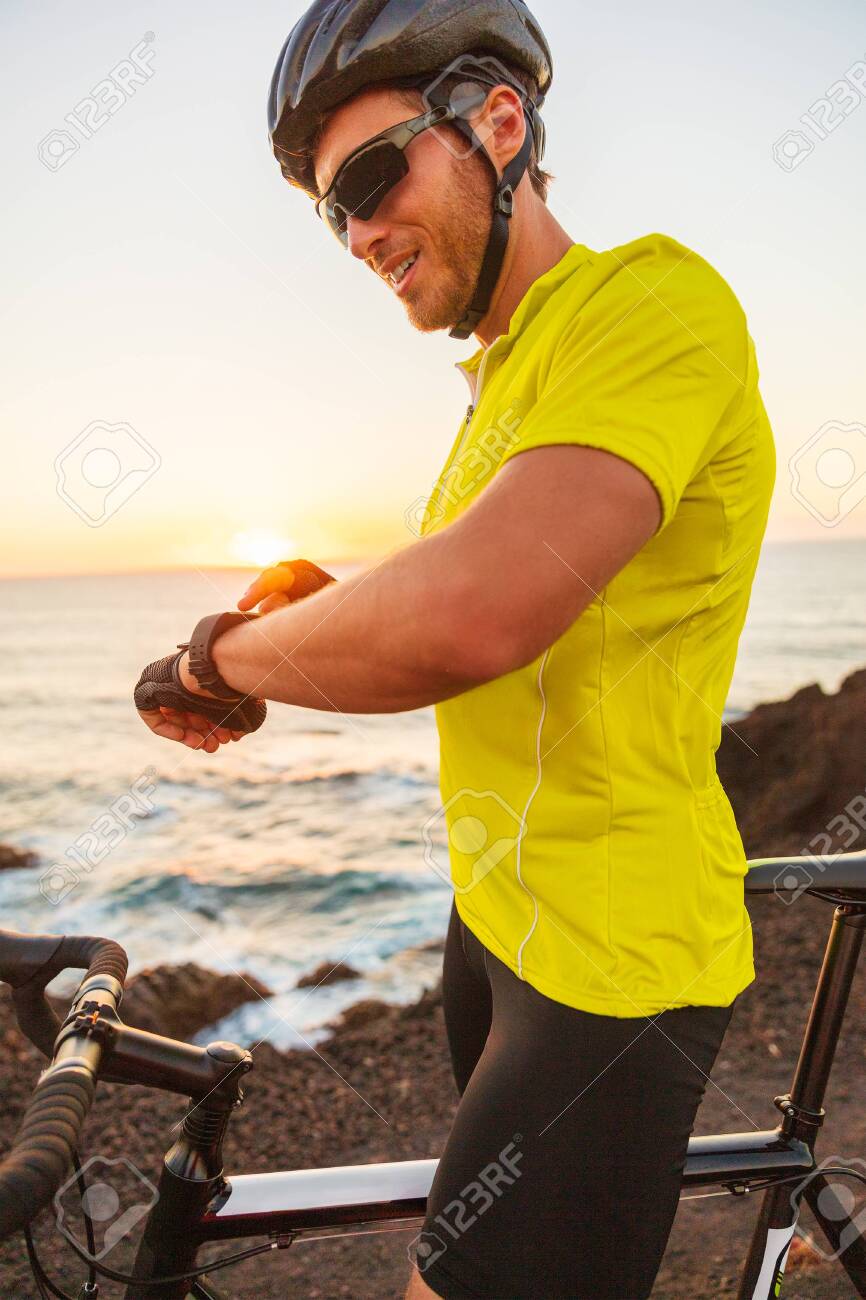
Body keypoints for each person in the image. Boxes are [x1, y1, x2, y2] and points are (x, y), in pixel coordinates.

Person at [134, 2, 777, 1295]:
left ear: (498, 124)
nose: (359, 232)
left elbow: (474, 612)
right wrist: (309, 612)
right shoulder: (503, 377)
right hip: (491, 916)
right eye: (332, 214)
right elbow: (451, 585)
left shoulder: (649, 301)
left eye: (372, 178)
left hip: (612, 958)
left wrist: (221, 656)